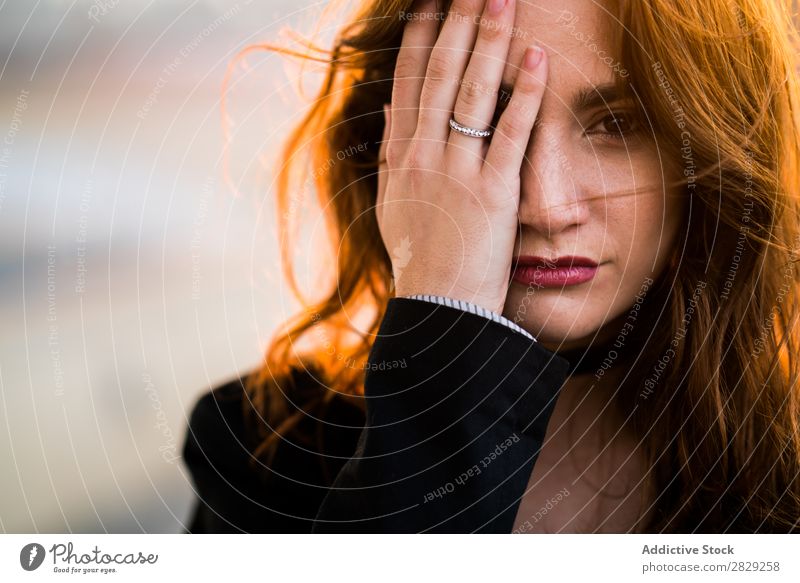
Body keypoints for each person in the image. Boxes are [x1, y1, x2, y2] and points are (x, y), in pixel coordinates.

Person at [181, 0, 800, 533]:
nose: (546, 206)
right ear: (395, 146)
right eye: (482, 121)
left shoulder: (783, 477)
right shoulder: (262, 452)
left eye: (617, 124)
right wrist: (446, 328)